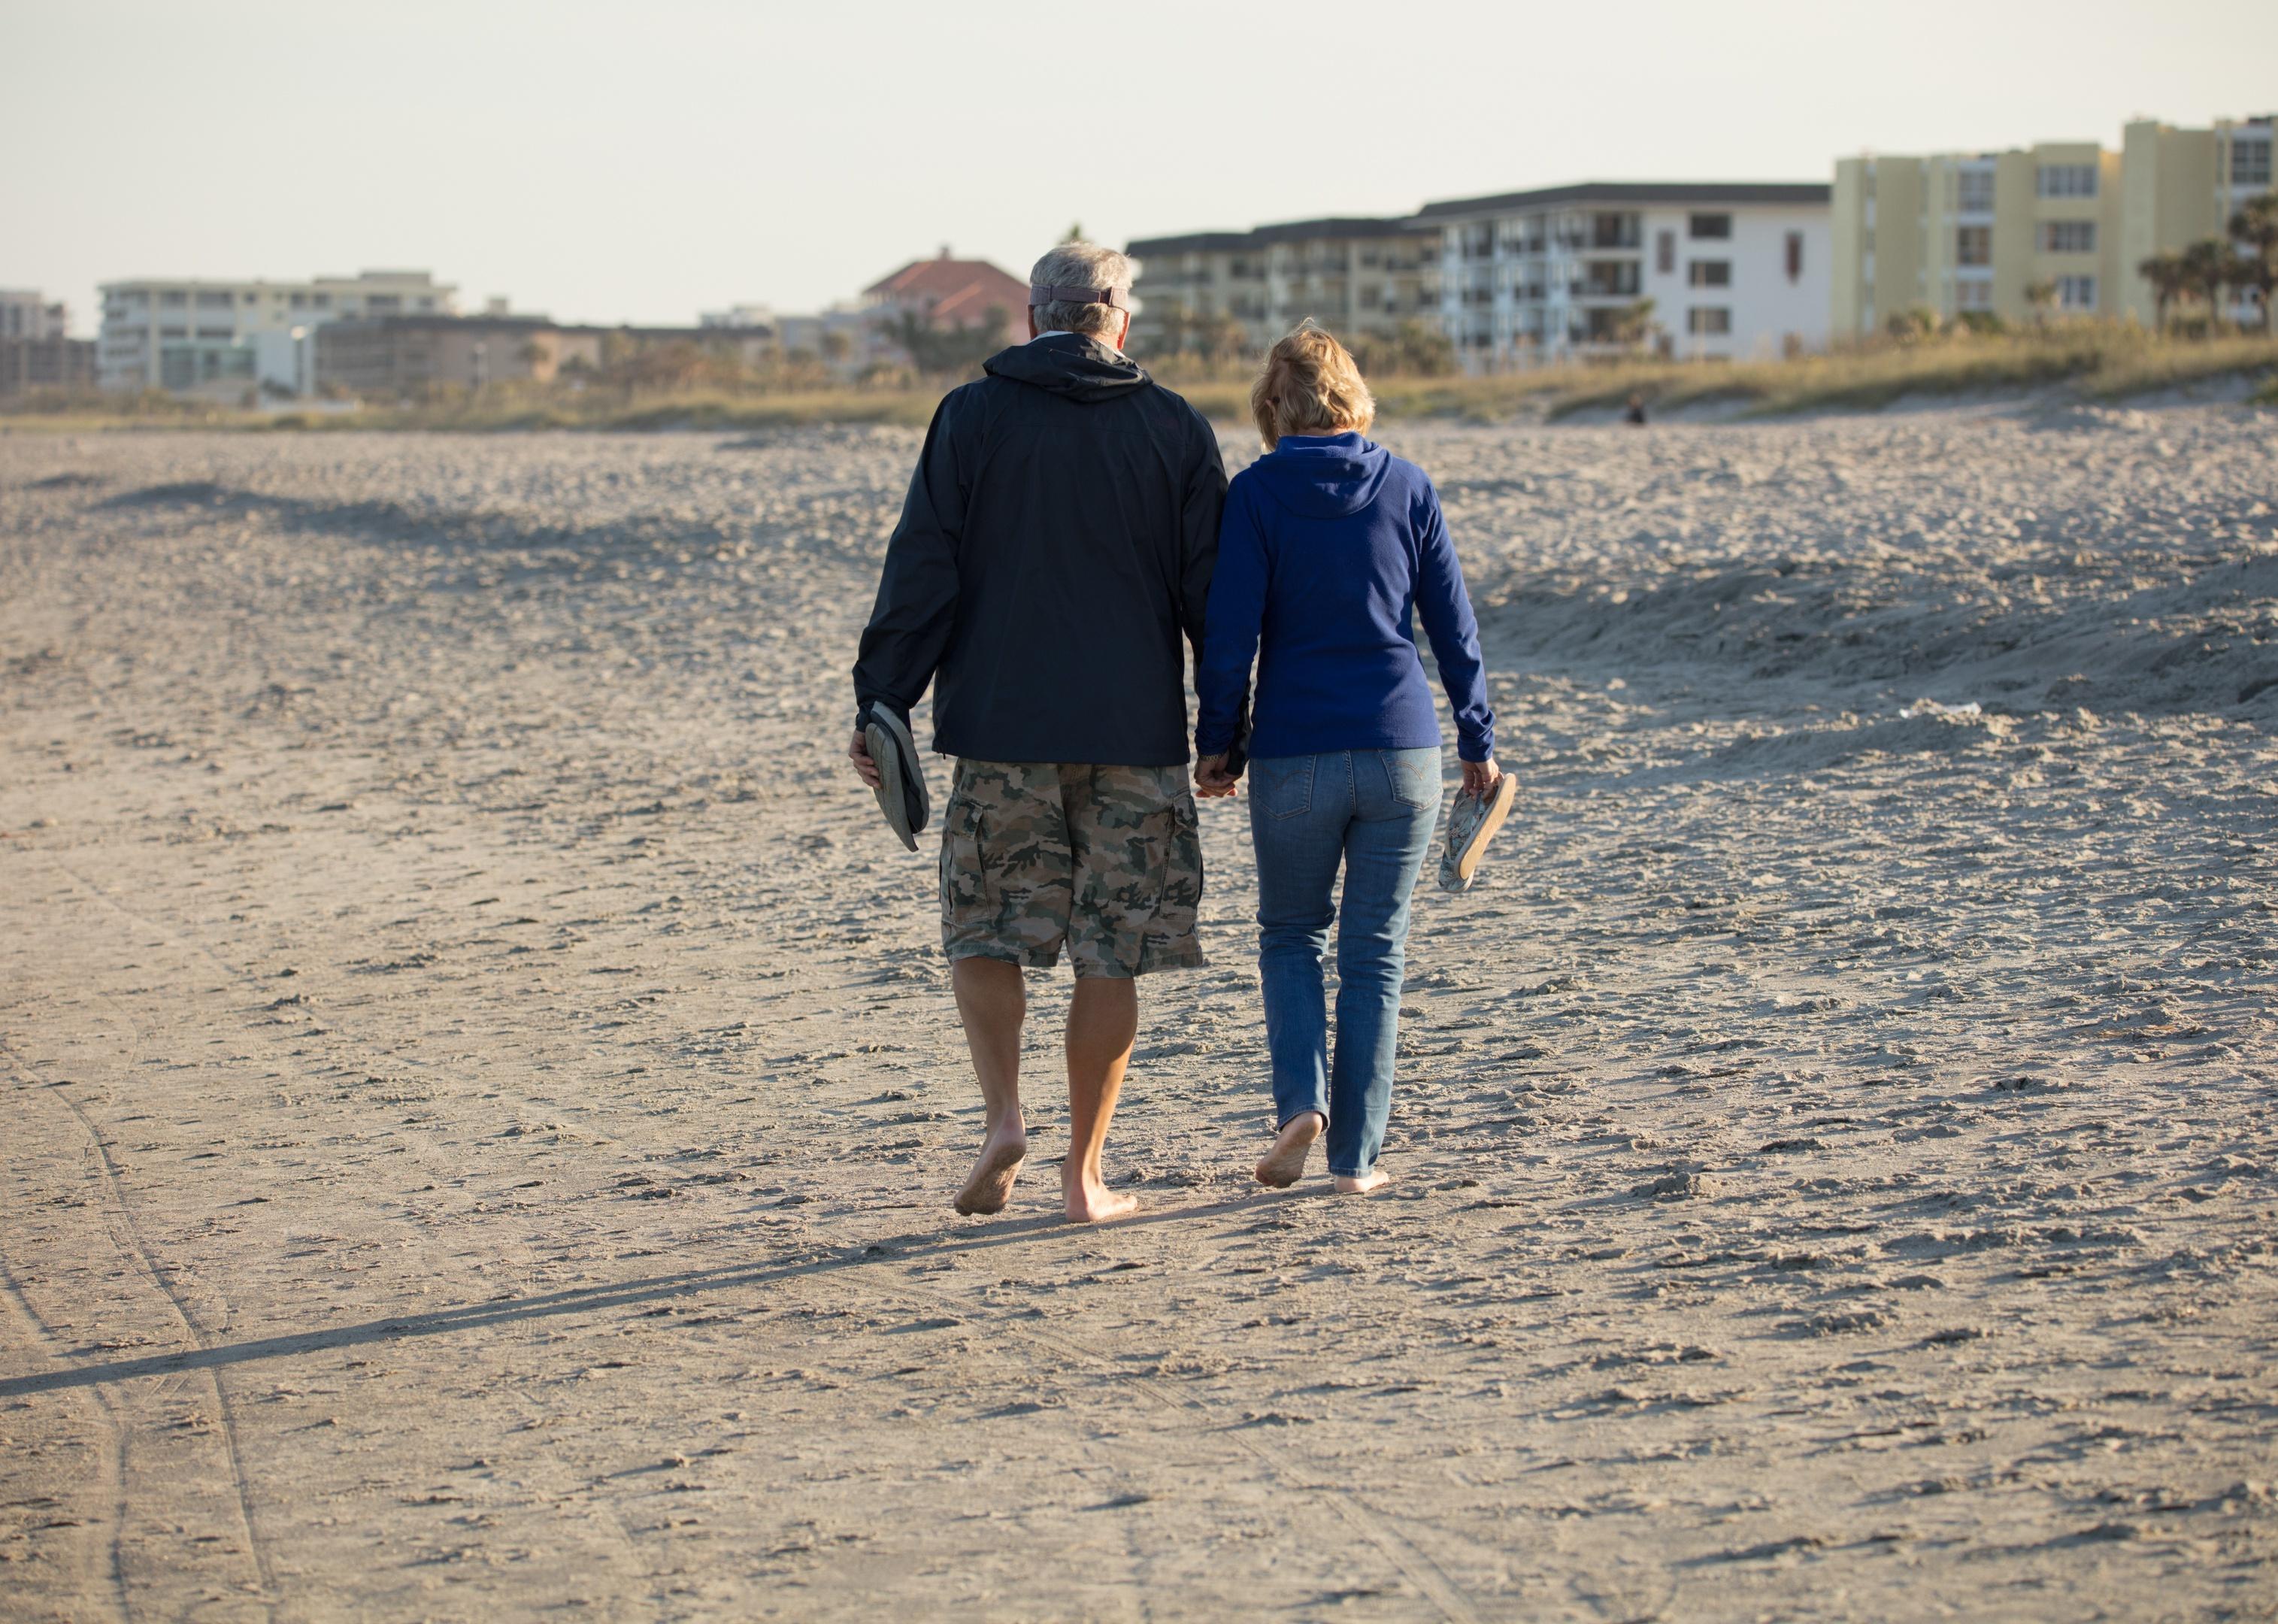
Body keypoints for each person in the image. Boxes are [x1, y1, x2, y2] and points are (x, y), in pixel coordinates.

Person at [850, 242, 1228, 1224]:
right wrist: (1226, 725)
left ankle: (1005, 1119)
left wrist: (882, 698)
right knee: (1112, 950)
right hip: (1134, 736)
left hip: (1003, 728)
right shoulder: (1173, 427)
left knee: (982, 927)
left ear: (1032, 317)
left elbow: (923, 564)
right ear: (1118, 319)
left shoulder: (971, 416)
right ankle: (1084, 1177)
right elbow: (1211, 600)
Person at [1193, 323, 1503, 1195]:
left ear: (1273, 407)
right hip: (1403, 750)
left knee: (1291, 935)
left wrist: (1219, 741)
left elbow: (1231, 637)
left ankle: (1302, 1101)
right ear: (1352, 395)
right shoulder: (1408, 486)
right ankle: (1355, 1162)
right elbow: (1454, 630)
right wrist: (1477, 738)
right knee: (1375, 952)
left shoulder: (1255, 496)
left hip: (1298, 752)